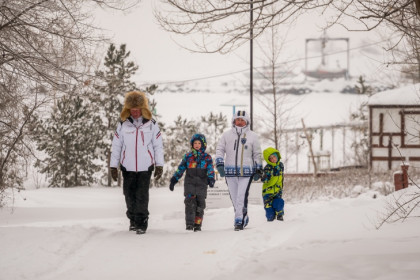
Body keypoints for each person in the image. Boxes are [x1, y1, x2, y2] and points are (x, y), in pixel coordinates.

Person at [109, 91, 164, 235]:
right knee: (128, 194)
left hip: (146, 166)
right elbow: (116, 146)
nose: (134, 112)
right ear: (128, 109)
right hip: (128, 166)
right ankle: (132, 220)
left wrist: (159, 165)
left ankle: (141, 221)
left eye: (137, 109)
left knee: (142, 195)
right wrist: (113, 166)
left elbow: (158, 146)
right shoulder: (123, 124)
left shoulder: (151, 124)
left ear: (142, 109)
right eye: (132, 110)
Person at [215, 110, 262, 231]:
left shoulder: (253, 136)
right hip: (230, 172)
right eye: (238, 119)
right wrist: (219, 163)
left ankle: (238, 220)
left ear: (247, 121)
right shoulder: (226, 135)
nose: (240, 122)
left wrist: (258, 169)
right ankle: (243, 215)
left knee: (241, 196)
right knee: (234, 197)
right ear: (234, 121)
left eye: (242, 120)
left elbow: (257, 154)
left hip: (246, 172)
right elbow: (220, 149)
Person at [169, 133, 215, 232]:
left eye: (199, 143)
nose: (197, 145)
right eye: (195, 143)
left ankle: (197, 225)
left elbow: (210, 169)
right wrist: (174, 179)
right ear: (192, 144)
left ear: (203, 145)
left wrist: (211, 179)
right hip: (190, 183)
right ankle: (189, 225)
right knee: (189, 203)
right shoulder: (188, 156)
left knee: (200, 205)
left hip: (202, 184)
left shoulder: (207, 157)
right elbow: (181, 169)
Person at [261, 147, 285, 221]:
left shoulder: (281, 165)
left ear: (277, 156)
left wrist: (281, 187)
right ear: (268, 160)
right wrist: (264, 176)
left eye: (274, 156)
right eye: (271, 158)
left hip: (277, 190)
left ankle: (280, 216)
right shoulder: (268, 168)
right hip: (268, 192)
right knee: (269, 211)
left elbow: (281, 177)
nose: (273, 159)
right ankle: (270, 220)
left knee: (279, 203)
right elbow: (264, 180)